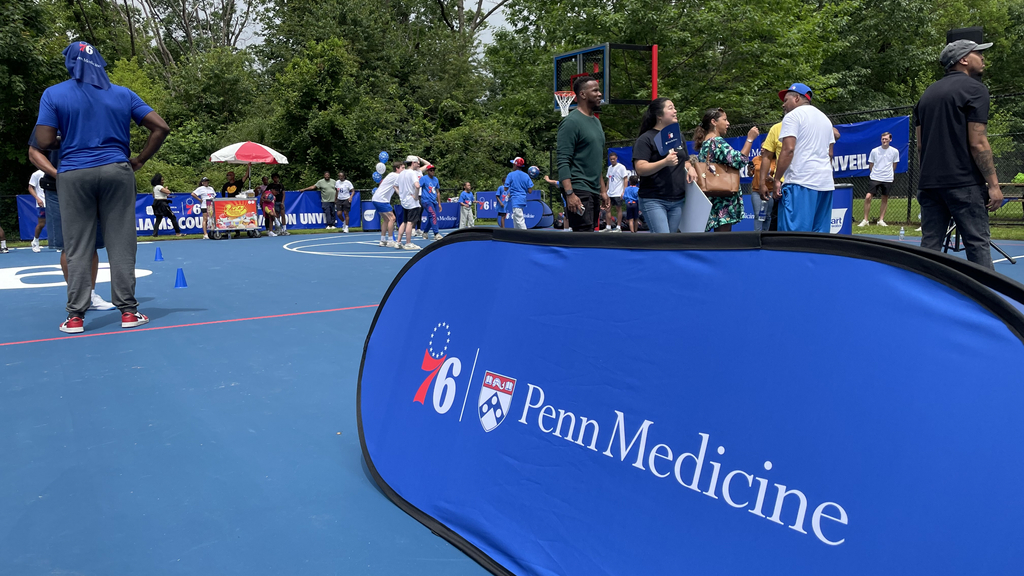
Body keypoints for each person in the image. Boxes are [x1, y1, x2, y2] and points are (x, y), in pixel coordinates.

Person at [32, 40, 169, 333]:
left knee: (78, 246)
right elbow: (161, 127)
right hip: (116, 171)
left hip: (73, 173)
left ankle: (76, 317)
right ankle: (129, 313)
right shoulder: (123, 94)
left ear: (71, 63)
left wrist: (67, 137)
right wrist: (140, 161)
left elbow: (42, 142)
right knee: (121, 244)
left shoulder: (54, 94)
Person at [915, 40, 1002, 269]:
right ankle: (985, 298)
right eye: (978, 53)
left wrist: (928, 179)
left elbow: (921, 145)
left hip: (930, 184)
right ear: (963, 60)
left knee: (930, 246)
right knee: (976, 243)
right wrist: (993, 185)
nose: (982, 58)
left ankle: (923, 294)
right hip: (964, 183)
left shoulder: (927, 94)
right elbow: (978, 143)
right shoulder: (975, 89)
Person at [28, 131, 115, 311]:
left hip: (91, 187)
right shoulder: (52, 114)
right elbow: (34, 153)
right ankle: (78, 296)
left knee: (92, 245)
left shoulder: (95, 113)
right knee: (69, 246)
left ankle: (89, 295)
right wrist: (59, 175)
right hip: (58, 189)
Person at [772, 83, 836, 233]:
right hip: (825, 183)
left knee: (793, 237)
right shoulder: (825, 119)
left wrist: (777, 179)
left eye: (786, 100)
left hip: (800, 182)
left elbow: (788, 149)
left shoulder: (792, 116)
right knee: (819, 237)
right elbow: (830, 153)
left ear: (796, 98)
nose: (783, 105)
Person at [632, 98, 697, 233]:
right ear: (659, 115)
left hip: (677, 200)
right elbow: (640, 168)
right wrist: (664, 162)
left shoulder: (678, 136)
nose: (675, 111)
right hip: (653, 199)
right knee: (663, 241)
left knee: (670, 242)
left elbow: (685, 161)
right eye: (671, 108)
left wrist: (691, 168)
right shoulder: (646, 139)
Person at [557, 75, 609, 232]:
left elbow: (595, 161)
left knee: (590, 237)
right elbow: (563, 161)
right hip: (578, 189)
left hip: (593, 191)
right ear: (583, 94)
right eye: (595, 90)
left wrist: (603, 191)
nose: (600, 94)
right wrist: (570, 194)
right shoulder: (571, 122)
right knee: (583, 239)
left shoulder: (596, 121)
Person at [693, 108, 759, 232]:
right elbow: (739, 160)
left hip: (713, 195)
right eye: (724, 119)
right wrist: (750, 139)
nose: (728, 123)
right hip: (723, 197)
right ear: (714, 122)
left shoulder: (705, 143)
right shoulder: (716, 142)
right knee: (723, 239)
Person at [859, 132, 900, 227]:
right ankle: (865, 220)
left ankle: (881, 220)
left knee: (884, 198)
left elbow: (894, 165)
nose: (884, 141)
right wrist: (875, 173)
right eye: (883, 139)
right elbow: (871, 165)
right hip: (875, 177)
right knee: (868, 197)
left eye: (886, 139)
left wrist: (889, 174)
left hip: (888, 178)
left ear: (890, 140)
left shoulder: (895, 151)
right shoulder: (874, 151)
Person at [755, 121, 782, 232]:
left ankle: (767, 235)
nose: (763, 149)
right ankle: (756, 235)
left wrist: (773, 179)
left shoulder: (776, 160)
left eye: (765, 147)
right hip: (756, 190)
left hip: (772, 190)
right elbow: (750, 174)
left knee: (769, 215)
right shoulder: (755, 159)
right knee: (758, 214)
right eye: (762, 147)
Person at [373, 161, 403, 247]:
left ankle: (382, 240)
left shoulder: (391, 175)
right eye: (402, 168)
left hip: (377, 199)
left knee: (386, 219)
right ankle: (390, 240)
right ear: (397, 169)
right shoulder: (396, 176)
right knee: (392, 218)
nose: (404, 170)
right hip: (381, 200)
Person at [396, 155, 423, 250]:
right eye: (417, 162)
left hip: (404, 201)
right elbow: (417, 185)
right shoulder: (412, 173)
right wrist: (416, 196)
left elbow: (395, 185)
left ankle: (398, 241)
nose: (418, 164)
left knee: (404, 221)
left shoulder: (402, 173)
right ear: (413, 163)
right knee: (410, 223)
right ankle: (408, 243)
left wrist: (401, 194)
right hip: (411, 202)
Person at [505, 157, 534, 230]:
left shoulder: (511, 175)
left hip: (515, 198)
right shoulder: (526, 175)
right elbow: (530, 191)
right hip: (523, 198)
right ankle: (517, 234)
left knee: (519, 218)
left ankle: (526, 235)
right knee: (515, 217)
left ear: (515, 165)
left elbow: (505, 188)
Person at [604, 152, 630, 232]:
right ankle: (608, 227)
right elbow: (609, 180)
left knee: (618, 208)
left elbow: (625, 179)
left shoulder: (621, 167)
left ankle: (618, 227)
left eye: (614, 159)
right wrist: (605, 190)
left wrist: (624, 191)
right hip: (610, 192)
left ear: (616, 158)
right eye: (611, 159)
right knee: (607, 209)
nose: (612, 160)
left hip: (618, 192)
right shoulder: (609, 168)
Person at [419, 164, 442, 240]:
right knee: (433, 215)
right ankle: (436, 233)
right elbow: (418, 187)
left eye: (433, 170)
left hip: (433, 201)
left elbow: (438, 192)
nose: (432, 171)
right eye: (431, 170)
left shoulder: (436, 179)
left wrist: (439, 203)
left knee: (431, 217)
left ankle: (425, 232)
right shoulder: (424, 178)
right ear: (427, 171)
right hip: (426, 200)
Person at [27, 170, 47, 252]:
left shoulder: (54, 171)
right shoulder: (36, 174)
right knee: (42, 224)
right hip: (42, 203)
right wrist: (38, 199)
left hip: (53, 202)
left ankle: (59, 244)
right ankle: (35, 241)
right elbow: (30, 187)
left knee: (57, 223)